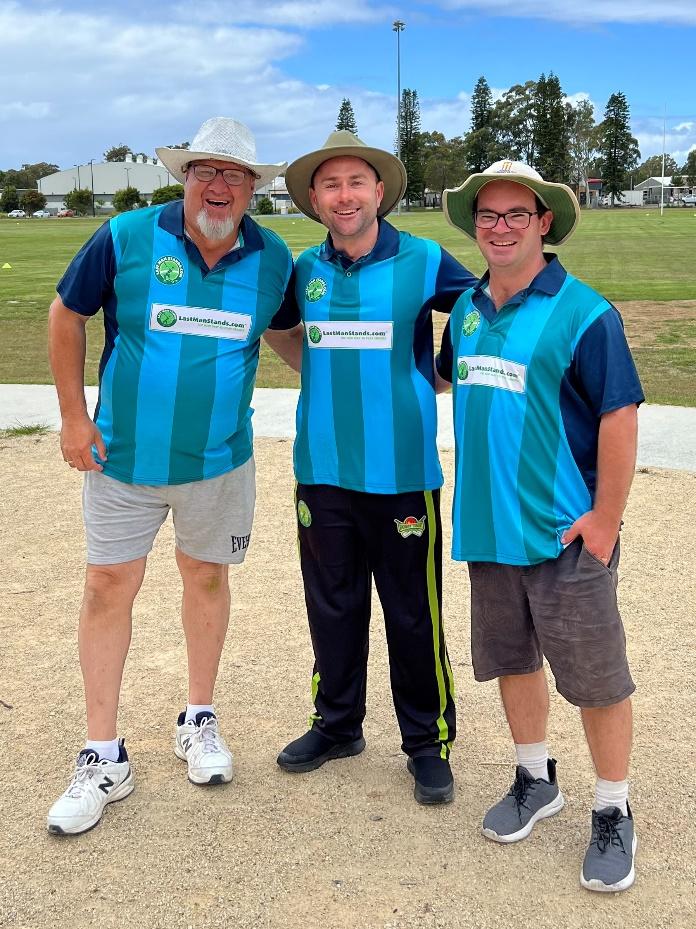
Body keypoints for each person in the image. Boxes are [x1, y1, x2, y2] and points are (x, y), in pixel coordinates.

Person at [46, 117, 293, 835]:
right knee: (106, 586)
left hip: (219, 461)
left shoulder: (273, 257)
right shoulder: (125, 236)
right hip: (121, 457)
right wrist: (72, 416)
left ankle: (199, 716)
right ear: (184, 178)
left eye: (234, 175)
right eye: (204, 171)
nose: (218, 186)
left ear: (252, 188)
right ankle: (102, 752)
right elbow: (67, 314)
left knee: (208, 578)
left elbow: (282, 331)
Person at [436, 160, 644, 890]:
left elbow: (619, 415)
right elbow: (446, 375)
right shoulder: (464, 309)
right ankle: (535, 777)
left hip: (564, 532)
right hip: (489, 529)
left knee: (595, 680)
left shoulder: (586, 312)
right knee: (512, 659)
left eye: (515, 214)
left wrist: (605, 519)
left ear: (543, 221)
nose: (499, 227)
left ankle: (613, 807)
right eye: (487, 216)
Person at [264, 131, 476, 805]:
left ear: (379, 191)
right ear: (315, 200)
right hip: (322, 469)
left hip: (402, 473)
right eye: (330, 185)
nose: (345, 195)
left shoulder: (423, 259)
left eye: (356, 181)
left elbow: (483, 313)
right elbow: (282, 326)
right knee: (333, 604)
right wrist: (316, 370)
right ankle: (336, 724)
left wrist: (435, 376)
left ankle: (426, 741)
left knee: (413, 612)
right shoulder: (304, 269)